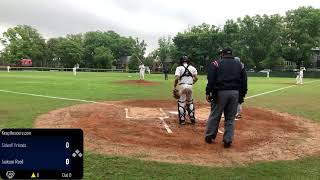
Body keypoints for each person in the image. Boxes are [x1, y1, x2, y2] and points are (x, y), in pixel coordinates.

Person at [205, 48, 248, 148]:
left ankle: (210, 136)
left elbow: (211, 79)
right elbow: (244, 81)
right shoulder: (240, 64)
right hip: (235, 93)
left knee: (215, 115)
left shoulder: (216, 63)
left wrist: (208, 92)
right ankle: (228, 140)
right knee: (230, 118)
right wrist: (242, 95)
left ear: (222, 54)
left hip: (220, 93)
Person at [173, 56, 198, 125]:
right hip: (190, 86)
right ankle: (192, 116)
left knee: (181, 103)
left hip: (182, 86)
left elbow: (176, 78)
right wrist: (192, 83)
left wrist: (175, 86)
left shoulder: (179, 68)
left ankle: (182, 120)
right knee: (190, 102)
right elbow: (196, 78)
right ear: (188, 61)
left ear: (181, 62)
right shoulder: (192, 68)